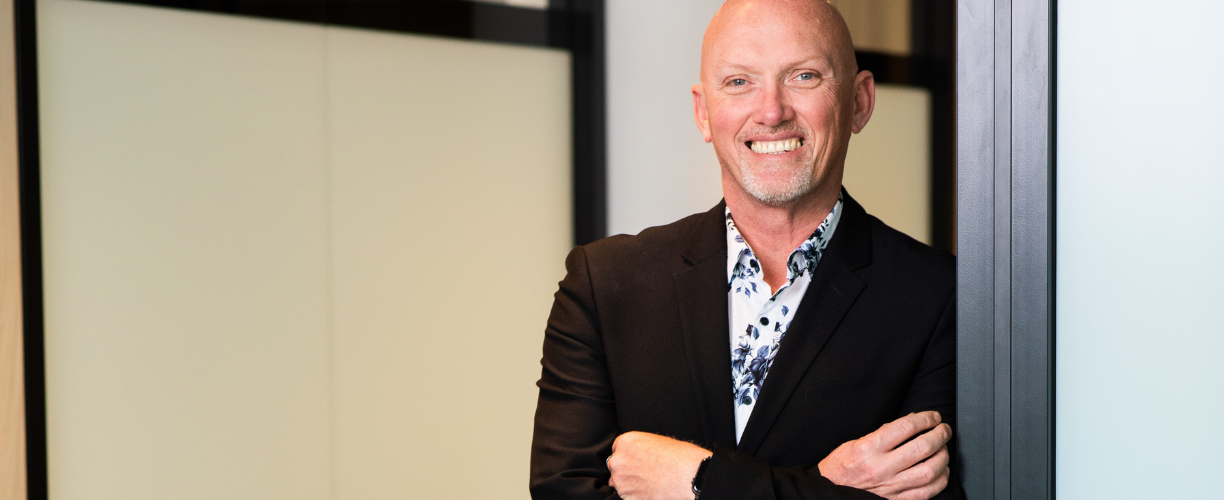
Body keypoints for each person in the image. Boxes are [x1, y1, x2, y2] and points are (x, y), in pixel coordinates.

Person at [530, 1, 961, 499]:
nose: (772, 111)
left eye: (803, 76)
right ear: (703, 112)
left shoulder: (938, 297)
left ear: (860, 102)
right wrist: (825, 488)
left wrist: (697, 482)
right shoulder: (603, 287)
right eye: (739, 82)